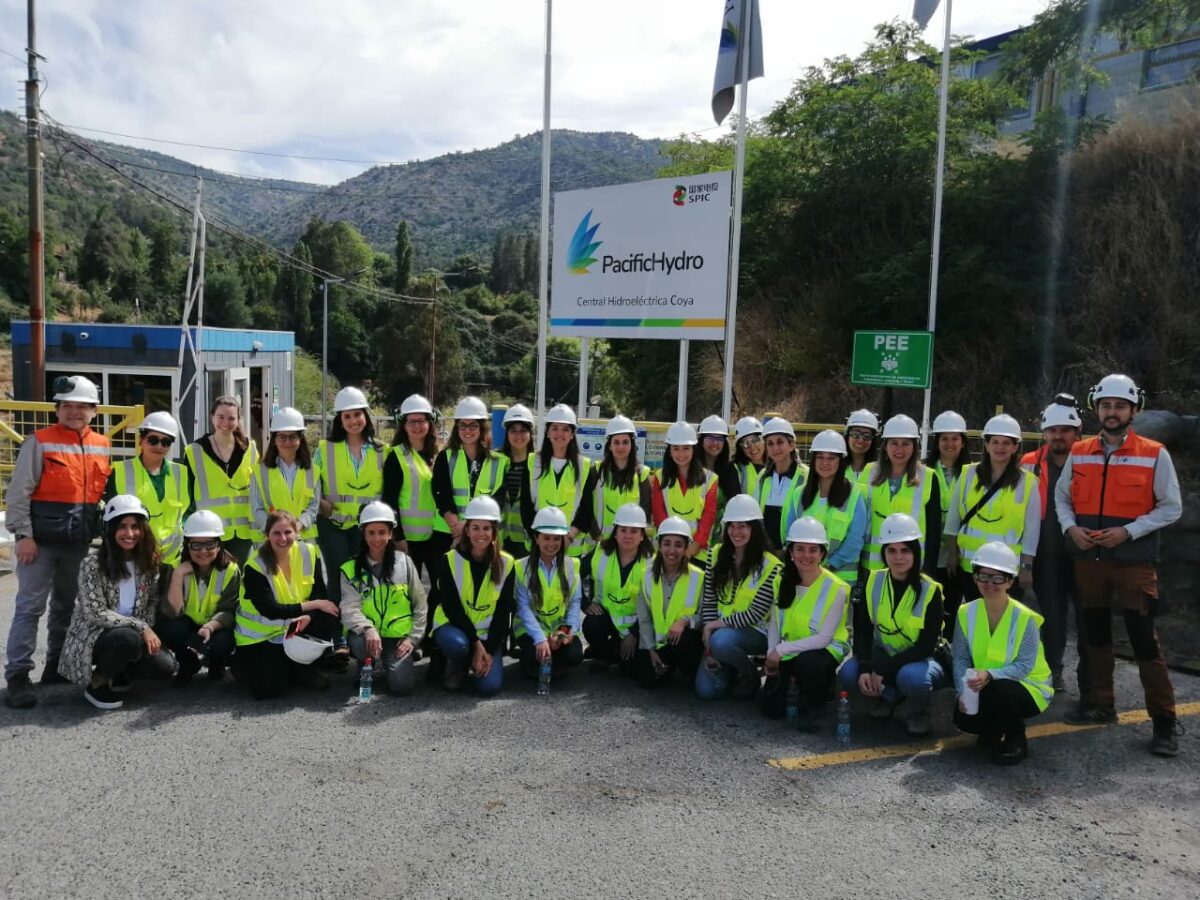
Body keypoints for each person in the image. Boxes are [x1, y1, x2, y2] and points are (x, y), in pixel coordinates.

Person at [1058, 374, 1183, 756]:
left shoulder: (1154, 452)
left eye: (1119, 406)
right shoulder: (1079, 451)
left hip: (1132, 562)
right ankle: (1101, 705)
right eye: (1106, 406)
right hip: (1089, 560)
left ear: (1133, 410)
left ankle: (1164, 722)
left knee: (1144, 641)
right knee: (1095, 636)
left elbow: (1171, 507)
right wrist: (1071, 528)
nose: (1111, 413)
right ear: (1096, 409)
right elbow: (1062, 498)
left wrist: (1128, 532)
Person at [4, 375, 110, 709]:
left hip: (78, 542)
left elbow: (100, 495)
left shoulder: (102, 445)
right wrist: (23, 536)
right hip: (39, 543)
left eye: (82, 406)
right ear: (57, 409)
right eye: (68, 406)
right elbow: (18, 492)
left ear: (94, 410)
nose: (74, 412)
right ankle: (18, 675)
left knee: (66, 605)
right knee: (29, 607)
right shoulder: (39, 441)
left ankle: (57, 665)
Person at [57, 495, 177, 710]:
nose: (129, 534)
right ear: (110, 529)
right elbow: (96, 613)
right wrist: (141, 628)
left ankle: (120, 669)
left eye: (135, 526)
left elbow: (151, 602)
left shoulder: (149, 563)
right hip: (94, 636)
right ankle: (98, 682)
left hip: (132, 634)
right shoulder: (92, 564)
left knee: (165, 667)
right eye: (121, 526)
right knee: (127, 638)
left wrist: (145, 630)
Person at [838, 513, 947, 736]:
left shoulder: (931, 590)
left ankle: (919, 711)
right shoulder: (873, 580)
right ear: (884, 553)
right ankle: (887, 695)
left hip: (921, 660)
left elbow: (925, 646)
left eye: (905, 550)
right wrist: (867, 668)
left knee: (911, 678)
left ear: (916, 552)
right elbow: (863, 632)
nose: (898, 557)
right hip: (884, 653)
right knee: (849, 674)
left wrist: (881, 670)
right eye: (892, 550)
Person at [952, 541, 1053, 765]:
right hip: (985, 682)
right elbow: (960, 657)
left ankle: (1017, 739)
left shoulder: (1025, 618)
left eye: (998, 578)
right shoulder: (966, 612)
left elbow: (1025, 666)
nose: (990, 584)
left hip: (1029, 688)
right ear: (974, 578)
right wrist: (962, 691)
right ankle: (993, 729)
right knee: (963, 718)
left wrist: (989, 675)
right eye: (983, 576)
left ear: (1010, 581)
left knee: (1001, 690)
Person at [232, 510, 342, 700]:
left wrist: (310, 616)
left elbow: (319, 593)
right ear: (267, 535)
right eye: (276, 533)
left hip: (291, 627)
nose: (283, 538)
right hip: (260, 635)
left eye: (288, 532)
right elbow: (271, 610)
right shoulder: (255, 565)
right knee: (268, 692)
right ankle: (242, 663)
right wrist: (313, 605)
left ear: (296, 532)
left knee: (328, 614)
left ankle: (302, 667)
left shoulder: (308, 552)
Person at [944, 414, 1040, 629]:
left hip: (1006, 569)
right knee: (973, 620)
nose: (1000, 447)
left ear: (1016, 447)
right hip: (971, 566)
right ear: (986, 444)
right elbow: (953, 518)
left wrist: (1027, 566)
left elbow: (1032, 528)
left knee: (1002, 623)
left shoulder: (1028, 482)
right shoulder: (968, 474)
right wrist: (951, 553)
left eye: (1007, 442)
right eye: (995, 441)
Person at [1022, 397, 1087, 694]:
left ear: (1078, 430)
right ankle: (1053, 670)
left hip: (1085, 555)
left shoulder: (1092, 462)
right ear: (1044, 432)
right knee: (1052, 617)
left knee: (1089, 618)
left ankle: (1091, 682)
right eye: (1053, 430)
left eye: (1065, 429)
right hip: (1046, 557)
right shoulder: (1028, 463)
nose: (1059, 436)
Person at [761, 517, 851, 732]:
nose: (806, 556)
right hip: (791, 650)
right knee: (771, 709)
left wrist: (780, 650)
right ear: (790, 552)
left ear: (822, 553)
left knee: (809, 664)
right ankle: (800, 690)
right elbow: (775, 621)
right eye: (800, 549)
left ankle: (818, 706)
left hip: (824, 650)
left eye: (813, 550)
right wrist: (771, 653)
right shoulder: (781, 580)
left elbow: (823, 638)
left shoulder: (836, 588)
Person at [696, 494, 783, 700]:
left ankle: (749, 674)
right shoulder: (715, 554)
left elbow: (755, 614)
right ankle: (730, 666)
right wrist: (708, 644)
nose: (736, 532)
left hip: (754, 633)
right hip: (719, 633)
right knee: (706, 691)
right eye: (732, 526)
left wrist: (713, 627)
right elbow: (709, 598)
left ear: (754, 528)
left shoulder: (771, 566)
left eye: (742, 526)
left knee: (722, 642)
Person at [315, 386, 385, 630]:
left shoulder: (380, 451)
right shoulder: (325, 449)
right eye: (347, 416)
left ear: (366, 416)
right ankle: (337, 637)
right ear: (339, 420)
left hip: (365, 528)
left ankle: (361, 632)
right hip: (332, 525)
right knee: (337, 577)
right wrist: (320, 503)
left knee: (363, 577)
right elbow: (311, 482)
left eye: (357, 415)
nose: (353, 421)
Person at [431, 496, 516, 696]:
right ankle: (457, 663)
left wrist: (488, 649)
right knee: (458, 645)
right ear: (466, 530)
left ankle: (477, 659)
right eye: (475, 527)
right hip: (454, 627)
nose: (481, 533)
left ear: (494, 532)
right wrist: (476, 645)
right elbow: (452, 608)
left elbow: (504, 612)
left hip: (488, 634)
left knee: (489, 688)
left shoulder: (507, 563)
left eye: (486, 528)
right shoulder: (449, 560)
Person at [340, 501, 427, 697]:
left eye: (382, 532)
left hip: (398, 637)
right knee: (362, 644)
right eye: (371, 532)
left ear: (390, 533)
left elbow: (420, 604)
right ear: (363, 534)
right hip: (367, 637)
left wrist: (412, 639)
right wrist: (368, 628)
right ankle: (368, 662)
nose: (377, 538)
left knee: (402, 687)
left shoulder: (404, 562)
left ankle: (399, 658)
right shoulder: (350, 569)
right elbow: (349, 609)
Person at [159, 510, 240, 682]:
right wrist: (178, 575)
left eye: (210, 544)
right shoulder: (175, 567)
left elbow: (229, 609)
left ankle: (216, 663)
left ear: (219, 545)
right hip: (187, 625)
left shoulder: (230, 570)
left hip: (215, 626)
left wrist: (210, 626)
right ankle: (188, 662)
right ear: (187, 545)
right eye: (196, 545)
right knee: (170, 628)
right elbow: (172, 612)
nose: (203, 551)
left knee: (224, 642)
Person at [782, 430, 868, 586]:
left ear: (840, 461)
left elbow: (855, 540)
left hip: (841, 579)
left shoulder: (854, 495)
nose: (825, 463)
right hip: (803, 577)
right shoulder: (799, 494)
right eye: (820, 457)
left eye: (831, 458)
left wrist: (828, 566)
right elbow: (790, 533)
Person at [107, 411, 191, 567]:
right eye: (153, 440)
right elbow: (112, 519)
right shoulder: (120, 471)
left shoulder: (182, 474)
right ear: (141, 440)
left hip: (171, 560)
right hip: (132, 558)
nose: (159, 446)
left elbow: (187, 514)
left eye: (165, 442)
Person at [184, 395, 259, 564]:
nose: (226, 422)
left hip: (243, 534)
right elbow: (186, 496)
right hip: (208, 533)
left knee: (239, 582)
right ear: (212, 417)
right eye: (221, 417)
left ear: (238, 419)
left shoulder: (250, 449)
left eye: (231, 418)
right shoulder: (194, 450)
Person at [381, 393, 448, 579]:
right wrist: (398, 536)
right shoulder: (396, 457)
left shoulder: (440, 454)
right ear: (403, 424)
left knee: (440, 587)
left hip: (437, 534)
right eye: (411, 421)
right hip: (409, 539)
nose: (417, 426)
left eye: (422, 420)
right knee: (410, 590)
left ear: (430, 422)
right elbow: (390, 500)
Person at [515, 507, 584, 684]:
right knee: (533, 654)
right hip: (531, 630)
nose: (551, 543)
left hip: (558, 629)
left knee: (575, 656)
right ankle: (536, 660)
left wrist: (564, 632)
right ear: (536, 538)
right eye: (546, 538)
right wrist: (540, 639)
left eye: (556, 539)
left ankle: (551, 661)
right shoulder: (521, 567)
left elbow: (574, 604)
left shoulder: (572, 565)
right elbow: (522, 608)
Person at [864, 415, 940, 576]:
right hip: (872, 564)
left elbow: (934, 531)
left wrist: (928, 570)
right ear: (885, 446)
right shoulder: (869, 472)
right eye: (894, 443)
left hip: (910, 565)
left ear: (914, 446)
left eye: (906, 443)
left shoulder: (928, 476)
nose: (900, 449)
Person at [520, 403, 597, 560]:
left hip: (570, 547)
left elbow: (586, 509)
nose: (559, 433)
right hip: (537, 546)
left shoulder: (585, 466)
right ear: (547, 432)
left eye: (565, 429)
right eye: (554, 428)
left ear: (572, 434)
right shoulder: (532, 462)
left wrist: (568, 538)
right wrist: (540, 539)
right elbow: (526, 507)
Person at [635, 516, 705, 688]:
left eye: (678, 545)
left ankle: (688, 670)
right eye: (667, 543)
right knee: (645, 679)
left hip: (687, 641)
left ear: (686, 548)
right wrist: (650, 650)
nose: (672, 550)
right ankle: (668, 666)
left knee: (685, 642)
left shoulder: (698, 577)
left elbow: (705, 615)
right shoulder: (647, 575)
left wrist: (685, 621)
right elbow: (644, 618)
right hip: (660, 643)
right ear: (659, 545)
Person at [583, 503, 653, 673]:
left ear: (642, 535)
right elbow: (573, 575)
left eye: (634, 531)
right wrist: (585, 604)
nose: (628, 536)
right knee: (592, 625)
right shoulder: (600, 553)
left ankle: (617, 651)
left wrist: (634, 634)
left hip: (637, 624)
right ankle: (604, 653)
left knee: (629, 670)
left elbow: (655, 607)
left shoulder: (652, 562)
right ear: (615, 532)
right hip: (606, 618)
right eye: (623, 530)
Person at [433, 396, 508, 546]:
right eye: (463, 425)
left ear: (482, 427)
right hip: (447, 533)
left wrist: (467, 525)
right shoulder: (445, 456)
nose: (468, 430)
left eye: (473, 425)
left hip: (482, 536)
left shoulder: (499, 461)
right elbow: (441, 493)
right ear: (457, 428)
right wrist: (456, 526)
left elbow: (498, 500)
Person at [651, 421, 718, 562]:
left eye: (686, 448)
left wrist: (694, 546)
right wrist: (673, 548)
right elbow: (659, 515)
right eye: (676, 448)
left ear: (694, 450)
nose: (681, 454)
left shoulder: (710, 479)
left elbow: (708, 518)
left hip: (697, 552)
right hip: (668, 551)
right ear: (669, 451)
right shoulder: (659, 477)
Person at [251, 407, 320, 540]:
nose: (287, 442)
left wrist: (297, 526)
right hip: (272, 542)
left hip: (303, 541)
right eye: (282, 437)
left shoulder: (312, 470)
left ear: (300, 439)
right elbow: (257, 508)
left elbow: (313, 507)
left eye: (292, 437)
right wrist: (277, 531)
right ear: (274, 440)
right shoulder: (259, 471)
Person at [591, 415, 653, 544]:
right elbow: (587, 508)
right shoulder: (596, 471)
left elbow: (645, 512)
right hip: (600, 543)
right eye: (616, 442)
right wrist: (597, 536)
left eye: (625, 442)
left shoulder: (642, 474)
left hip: (630, 545)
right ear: (609, 445)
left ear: (632, 445)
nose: (621, 447)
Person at [924, 410, 969, 583]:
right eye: (944, 439)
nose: (950, 444)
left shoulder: (973, 474)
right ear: (937, 442)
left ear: (963, 442)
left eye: (955, 439)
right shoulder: (923, 471)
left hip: (958, 552)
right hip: (929, 549)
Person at [753, 418, 808, 554]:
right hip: (766, 553)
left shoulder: (807, 476)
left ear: (791, 445)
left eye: (780, 442)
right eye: (770, 444)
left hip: (796, 554)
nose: (775, 448)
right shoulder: (763, 477)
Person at [497, 404, 535, 557]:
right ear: (507, 433)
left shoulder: (538, 463)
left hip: (528, 541)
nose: (518, 435)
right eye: (513, 430)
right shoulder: (496, 461)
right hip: (499, 539)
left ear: (530, 433)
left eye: (523, 430)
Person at [844, 409, 880, 487]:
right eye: (856, 434)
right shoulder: (835, 467)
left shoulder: (880, 472)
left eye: (867, 436)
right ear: (847, 436)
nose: (861, 440)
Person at [731, 416, 765, 497]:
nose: (752, 447)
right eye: (745, 443)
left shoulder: (777, 465)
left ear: (763, 439)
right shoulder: (736, 470)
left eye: (755, 440)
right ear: (741, 448)